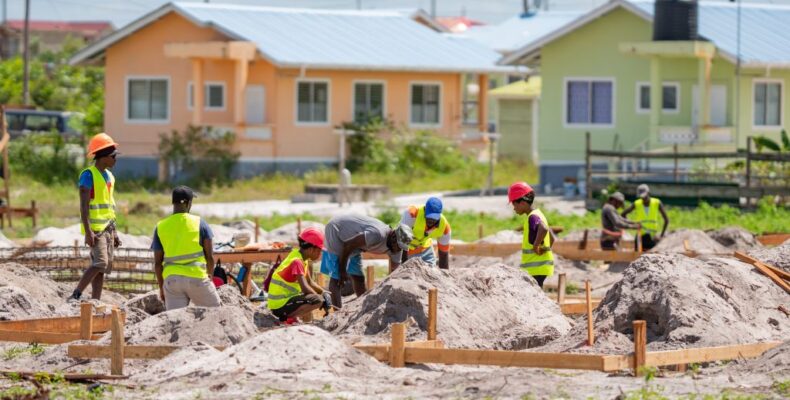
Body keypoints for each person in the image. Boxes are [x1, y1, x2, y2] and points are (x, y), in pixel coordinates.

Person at [320, 214, 414, 308]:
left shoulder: (397, 247)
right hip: (337, 230)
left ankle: (363, 308)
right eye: (398, 246)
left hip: (356, 245)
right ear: (393, 236)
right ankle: (337, 314)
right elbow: (348, 245)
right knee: (338, 278)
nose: (398, 250)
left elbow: (396, 271)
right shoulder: (377, 234)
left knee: (359, 278)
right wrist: (342, 269)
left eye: (401, 248)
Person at [152, 186, 221, 311]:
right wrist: (209, 278)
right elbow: (210, 257)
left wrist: (162, 287)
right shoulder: (200, 223)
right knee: (216, 313)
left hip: (172, 282)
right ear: (189, 203)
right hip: (196, 278)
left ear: (173, 203)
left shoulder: (161, 226)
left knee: (175, 322)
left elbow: (157, 264)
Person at [70, 133, 121, 301]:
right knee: (100, 263)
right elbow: (84, 206)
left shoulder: (110, 177)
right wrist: (88, 231)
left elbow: (109, 206)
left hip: (108, 228)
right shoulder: (88, 175)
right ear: (103, 157)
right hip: (96, 230)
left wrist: (115, 232)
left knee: (101, 270)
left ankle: (95, 301)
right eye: (113, 156)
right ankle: (76, 294)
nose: (116, 160)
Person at [267, 228, 330, 323]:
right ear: (311, 249)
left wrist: (324, 292)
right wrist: (322, 301)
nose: (320, 254)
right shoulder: (297, 262)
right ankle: (288, 319)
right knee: (317, 300)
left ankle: (297, 319)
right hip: (279, 305)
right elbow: (305, 288)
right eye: (319, 250)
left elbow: (309, 282)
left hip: (285, 301)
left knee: (317, 298)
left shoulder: (301, 258)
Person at [508, 182, 557, 288]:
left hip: (535, 268)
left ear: (523, 203)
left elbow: (543, 229)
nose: (514, 208)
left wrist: (535, 246)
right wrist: (545, 248)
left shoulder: (532, 217)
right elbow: (552, 238)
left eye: (514, 204)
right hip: (541, 267)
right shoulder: (539, 214)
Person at [399, 197, 451, 269]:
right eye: (429, 217)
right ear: (425, 211)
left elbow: (444, 255)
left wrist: (445, 277)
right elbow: (402, 242)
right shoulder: (412, 213)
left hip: (425, 249)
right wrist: (403, 267)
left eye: (435, 218)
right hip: (407, 250)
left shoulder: (444, 227)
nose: (431, 220)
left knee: (431, 273)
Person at [622, 184, 669, 251]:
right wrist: (631, 224)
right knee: (638, 259)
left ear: (648, 193)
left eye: (645, 197)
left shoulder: (656, 203)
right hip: (640, 236)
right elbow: (623, 214)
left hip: (652, 237)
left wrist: (661, 235)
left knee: (653, 258)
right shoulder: (637, 203)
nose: (643, 199)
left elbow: (666, 220)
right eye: (642, 198)